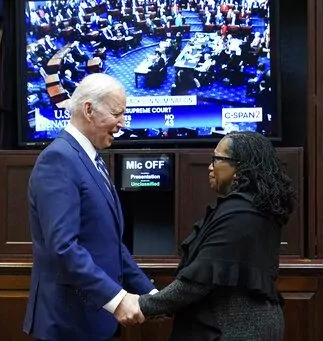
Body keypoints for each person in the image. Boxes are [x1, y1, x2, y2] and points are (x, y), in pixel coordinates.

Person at [23, 73, 156, 341]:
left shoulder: (90, 157)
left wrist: (151, 296)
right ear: (88, 110)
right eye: (117, 113)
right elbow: (64, 248)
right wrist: (118, 300)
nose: (122, 123)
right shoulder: (59, 159)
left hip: (95, 322)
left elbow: (107, 242)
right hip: (68, 325)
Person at [138, 131, 295, 341]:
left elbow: (197, 281)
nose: (210, 166)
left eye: (217, 159)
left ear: (240, 167)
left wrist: (143, 305)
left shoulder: (241, 214)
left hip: (236, 330)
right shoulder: (250, 208)